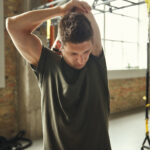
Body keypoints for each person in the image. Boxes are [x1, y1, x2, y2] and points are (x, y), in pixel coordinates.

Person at [6, 0, 111, 149]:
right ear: (61, 46)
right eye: (74, 53)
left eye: (85, 52)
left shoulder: (95, 61)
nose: (81, 59)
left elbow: (87, 16)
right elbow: (13, 26)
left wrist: (82, 9)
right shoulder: (47, 65)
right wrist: (60, 10)